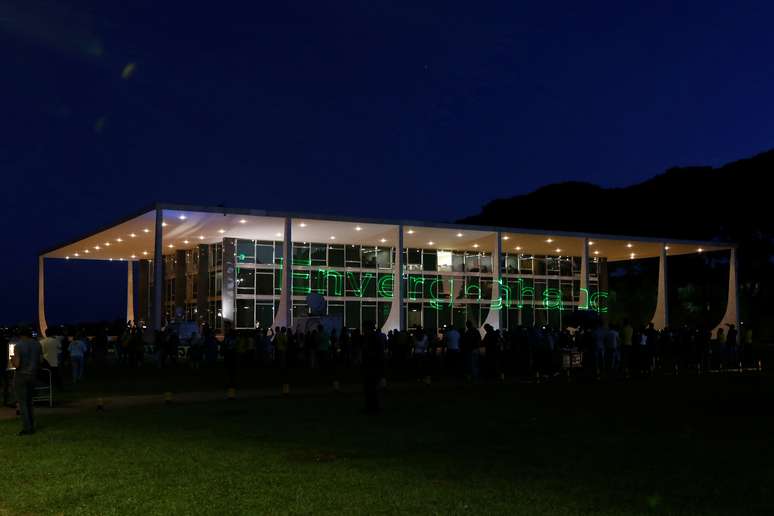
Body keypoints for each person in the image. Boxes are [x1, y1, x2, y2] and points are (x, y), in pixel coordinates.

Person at [12, 328, 42, 435]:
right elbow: (40, 360)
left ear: (21, 335)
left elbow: (17, 364)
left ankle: (27, 428)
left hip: (21, 375)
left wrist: (12, 360)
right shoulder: (37, 344)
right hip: (33, 375)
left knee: (22, 402)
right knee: (29, 401)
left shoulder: (18, 346)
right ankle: (32, 423)